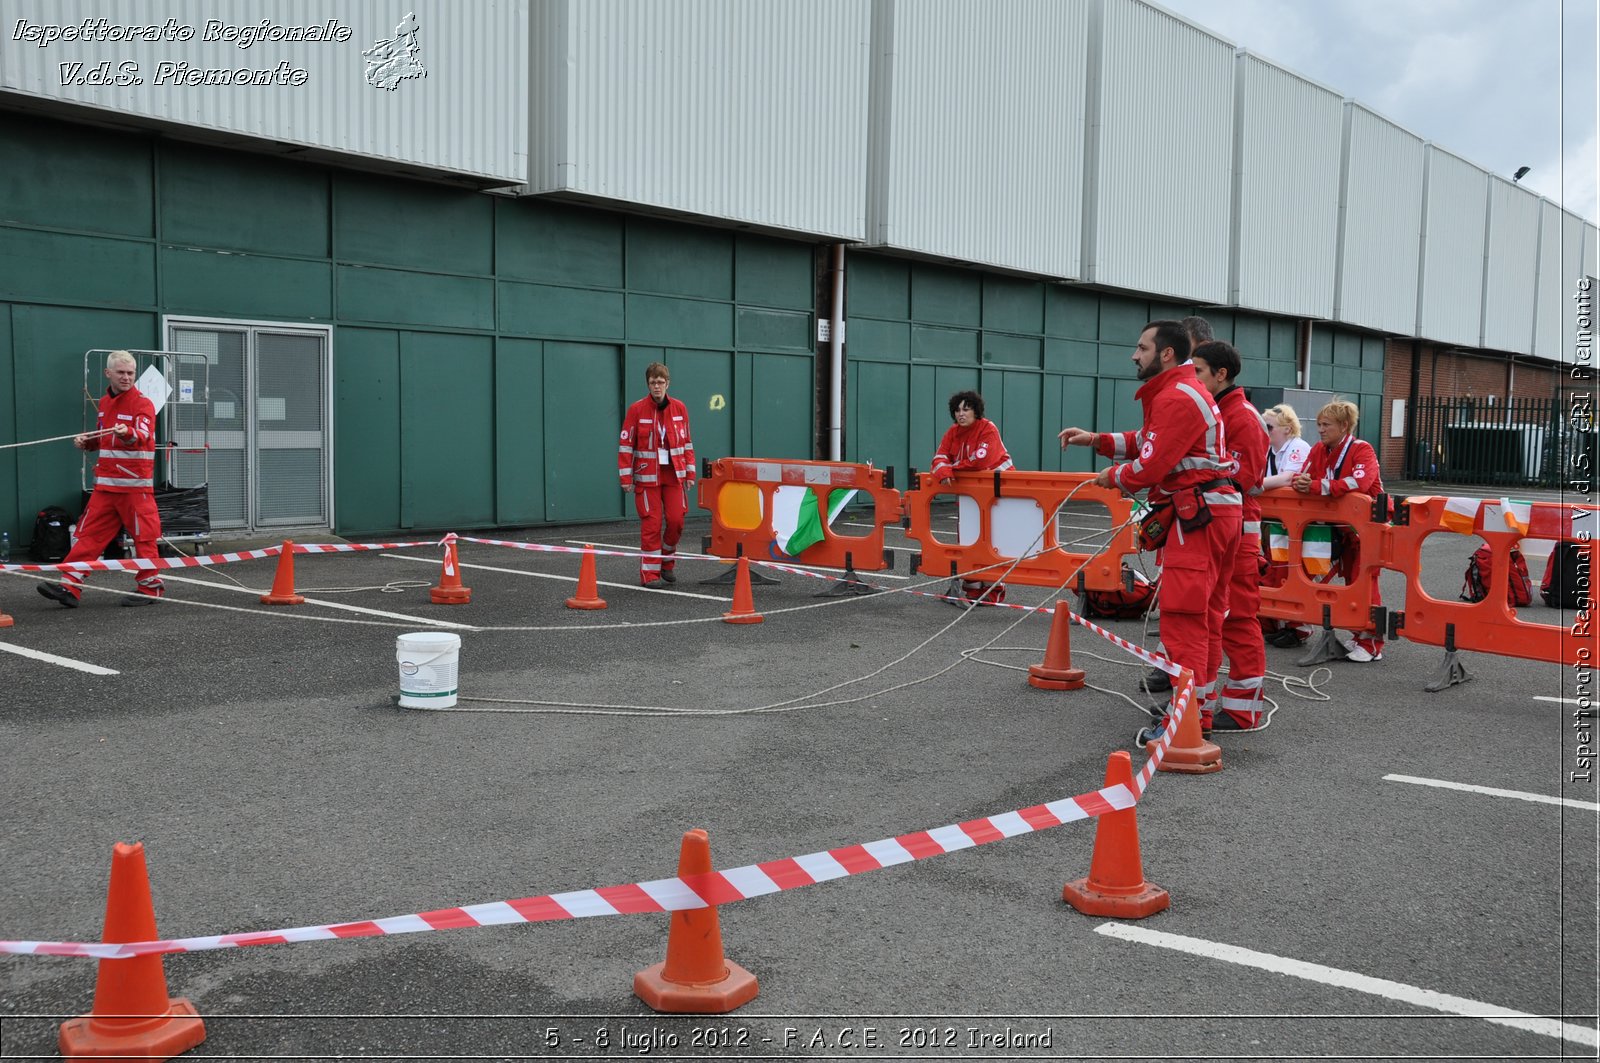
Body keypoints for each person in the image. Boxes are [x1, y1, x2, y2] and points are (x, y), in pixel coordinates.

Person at [1059, 320, 1242, 746]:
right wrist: (1097, 440)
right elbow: (1149, 441)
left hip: (1198, 519)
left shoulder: (1177, 396)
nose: (1133, 355)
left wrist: (1113, 476)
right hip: (1212, 514)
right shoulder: (1180, 393)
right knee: (1206, 618)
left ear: (1165, 354)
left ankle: (1185, 720)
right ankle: (1196, 711)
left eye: (1141, 347)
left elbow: (1150, 465)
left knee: (1182, 619)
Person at [37, 350, 164, 607]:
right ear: (108, 373)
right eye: (121, 373)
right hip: (106, 486)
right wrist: (88, 442)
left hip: (133, 489)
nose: (127, 378)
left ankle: (151, 589)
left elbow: (143, 436)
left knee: (145, 537)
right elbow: (104, 436)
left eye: (130, 373)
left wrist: (128, 432)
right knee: (88, 535)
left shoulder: (143, 404)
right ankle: (70, 587)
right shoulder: (105, 403)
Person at [1190, 340, 1269, 731]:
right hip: (1219, 527)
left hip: (1239, 529)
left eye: (1199, 371)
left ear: (1221, 375)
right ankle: (1199, 703)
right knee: (1208, 616)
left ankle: (1243, 710)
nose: (1193, 378)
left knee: (1238, 617)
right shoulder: (1220, 411)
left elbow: (1245, 478)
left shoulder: (1243, 418)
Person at [1292, 399, 1384, 662]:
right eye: (1319, 424)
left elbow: (1361, 483)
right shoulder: (1319, 450)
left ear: (1344, 426)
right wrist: (1303, 482)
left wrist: (1319, 486)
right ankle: (1345, 631)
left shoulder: (1361, 449)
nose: (1320, 430)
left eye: (1326, 425)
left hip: (1367, 529)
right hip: (1336, 528)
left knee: (1365, 584)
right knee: (1342, 582)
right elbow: (1304, 477)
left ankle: (1371, 643)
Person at [930, 390, 1013, 605]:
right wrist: (944, 470)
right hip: (969, 494)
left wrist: (950, 469)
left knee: (995, 540)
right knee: (967, 537)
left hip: (999, 493)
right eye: (957, 410)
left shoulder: (988, 428)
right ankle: (972, 589)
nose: (961, 414)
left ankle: (994, 591)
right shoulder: (952, 432)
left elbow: (980, 461)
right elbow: (939, 457)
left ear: (976, 411)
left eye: (966, 409)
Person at [618, 361, 697, 587]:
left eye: (661, 382)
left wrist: (690, 473)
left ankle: (666, 563)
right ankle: (650, 575)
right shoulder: (636, 409)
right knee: (651, 525)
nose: (657, 386)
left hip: (674, 475)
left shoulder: (680, 408)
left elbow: (687, 442)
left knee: (676, 521)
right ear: (648, 384)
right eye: (653, 382)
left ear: (668, 384)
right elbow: (625, 445)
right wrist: (625, 478)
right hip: (647, 478)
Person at [1258, 404, 1312, 647]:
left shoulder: (1297, 447)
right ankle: (1283, 621)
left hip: (1299, 522)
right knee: (1277, 568)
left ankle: (1299, 626)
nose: (1264, 431)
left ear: (1287, 429)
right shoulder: (1270, 450)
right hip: (1279, 521)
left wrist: (1254, 484)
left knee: (1292, 570)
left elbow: (1288, 477)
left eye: (1268, 427)